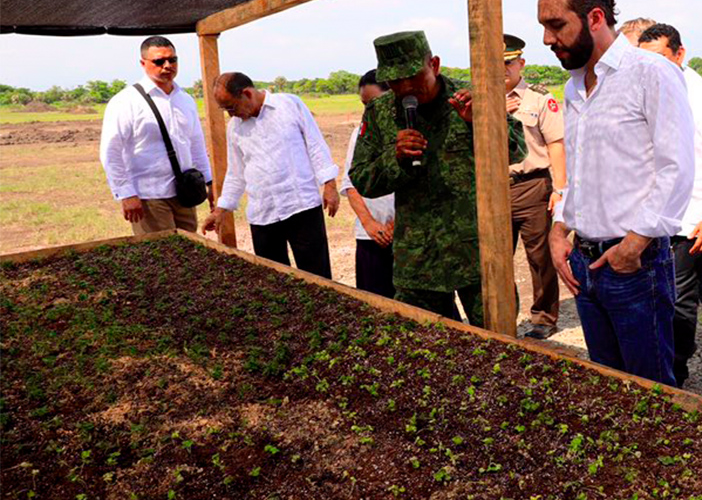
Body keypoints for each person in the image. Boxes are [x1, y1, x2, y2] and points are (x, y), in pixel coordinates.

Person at [540, 0, 694, 386]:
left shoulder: (651, 73)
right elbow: (581, 169)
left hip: (634, 266)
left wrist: (635, 244)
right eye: (543, 27)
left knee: (650, 394)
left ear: (594, 18)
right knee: (608, 389)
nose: (547, 40)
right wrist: (560, 230)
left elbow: (676, 166)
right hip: (586, 263)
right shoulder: (574, 87)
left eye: (556, 25)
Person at [349, 31, 526, 326]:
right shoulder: (379, 112)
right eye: (394, 81)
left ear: (434, 64)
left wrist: (479, 123)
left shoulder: (474, 96)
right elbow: (362, 178)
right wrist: (396, 159)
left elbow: (518, 149)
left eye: (413, 76)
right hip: (418, 261)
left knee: (499, 342)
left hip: (478, 254)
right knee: (425, 351)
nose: (405, 88)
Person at [637, 22, 702, 386]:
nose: (652, 67)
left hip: (690, 217)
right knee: (672, 285)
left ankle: (674, 375)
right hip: (653, 215)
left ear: (680, 54)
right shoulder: (645, 90)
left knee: (680, 298)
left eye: (661, 59)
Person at [201, 72, 340, 278]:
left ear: (247, 93)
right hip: (263, 214)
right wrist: (221, 210)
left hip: (301, 207)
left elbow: (316, 145)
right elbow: (236, 173)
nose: (231, 115)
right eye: (226, 110)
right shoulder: (235, 129)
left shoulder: (290, 105)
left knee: (317, 276)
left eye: (232, 107)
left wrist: (329, 185)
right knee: (273, 280)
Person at [100, 36, 214, 234]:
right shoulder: (126, 102)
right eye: (159, 61)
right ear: (143, 63)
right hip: (149, 196)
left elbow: (196, 145)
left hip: (184, 193)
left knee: (190, 254)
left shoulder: (185, 99)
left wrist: (210, 182)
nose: (167, 66)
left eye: (172, 60)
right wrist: (126, 193)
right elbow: (111, 151)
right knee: (162, 257)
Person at [504, 33, 567, 340]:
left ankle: (543, 316)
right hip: (493, 189)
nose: (503, 69)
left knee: (539, 256)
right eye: (496, 63)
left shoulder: (540, 100)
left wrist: (560, 190)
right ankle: (502, 314)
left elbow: (556, 146)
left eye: (508, 63)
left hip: (531, 186)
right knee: (496, 256)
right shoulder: (477, 100)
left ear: (521, 63)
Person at [339, 70, 396, 298]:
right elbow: (350, 182)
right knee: (374, 302)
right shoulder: (360, 133)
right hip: (370, 235)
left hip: (406, 234)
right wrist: (369, 223)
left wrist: (398, 222)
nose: (368, 112)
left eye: (373, 103)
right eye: (364, 104)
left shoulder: (412, 128)